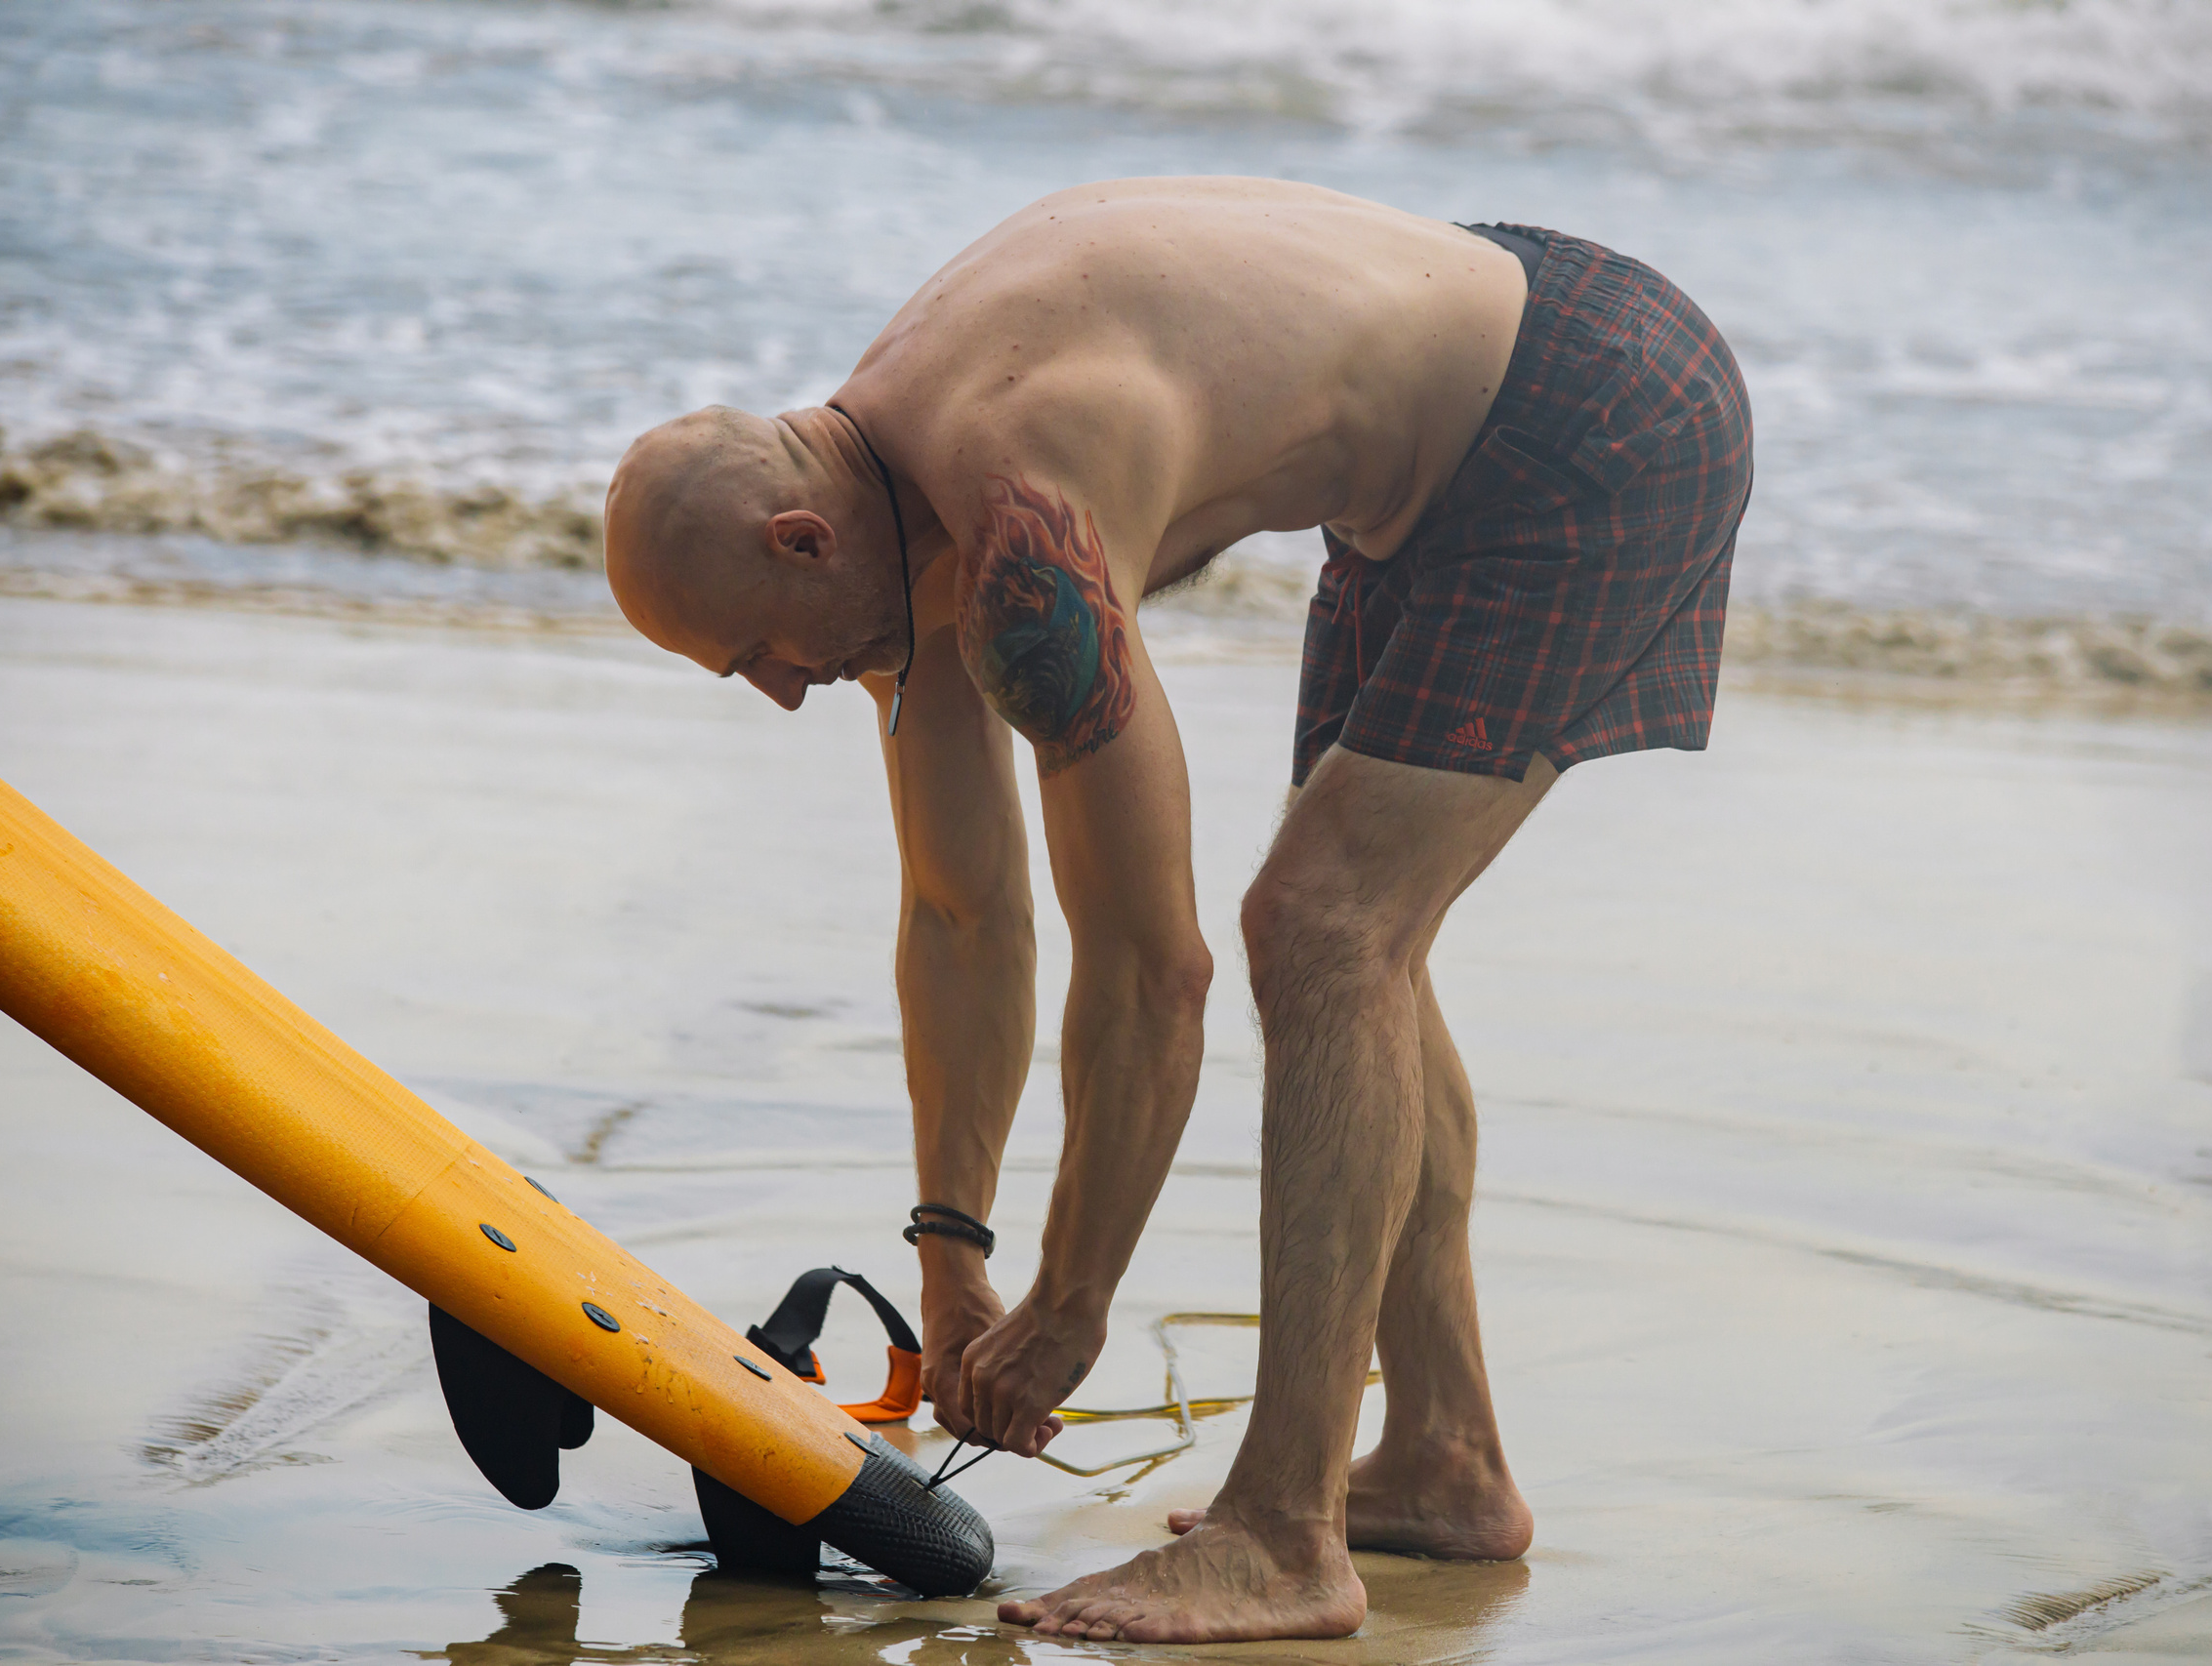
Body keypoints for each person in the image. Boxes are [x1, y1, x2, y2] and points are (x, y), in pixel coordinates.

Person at [601, 176, 1751, 1644]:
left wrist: (1072, 1305)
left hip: (1590, 420)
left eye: (756, 653)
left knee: (1327, 928)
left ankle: (1285, 1536)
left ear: (799, 543)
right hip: (1457, 437)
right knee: (1361, 944)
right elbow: (963, 914)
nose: (777, 689)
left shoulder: (1016, 525)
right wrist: (956, 1269)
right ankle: (1445, 1456)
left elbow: (1153, 974)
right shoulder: (885, 510)